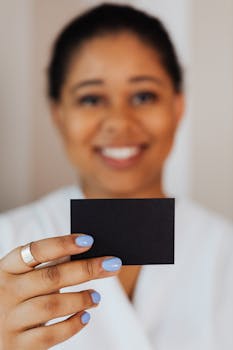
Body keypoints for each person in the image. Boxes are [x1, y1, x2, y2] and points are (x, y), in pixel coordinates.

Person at [0, 3, 232, 350]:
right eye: (91, 99)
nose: (119, 122)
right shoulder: (6, 242)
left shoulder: (225, 253)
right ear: (58, 114)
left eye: (143, 95)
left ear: (177, 106)